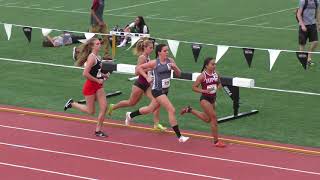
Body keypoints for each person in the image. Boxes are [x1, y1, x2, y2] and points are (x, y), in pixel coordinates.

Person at [125, 44, 189, 143]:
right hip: (157, 90)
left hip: (165, 90)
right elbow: (139, 68)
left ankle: (130, 115)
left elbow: (179, 74)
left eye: (167, 50)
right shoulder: (155, 63)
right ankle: (179, 137)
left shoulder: (170, 61)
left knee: (150, 109)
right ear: (159, 52)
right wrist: (146, 77)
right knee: (171, 109)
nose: (167, 52)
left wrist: (175, 67)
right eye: (164, 51)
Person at [107, 39, 167, 131]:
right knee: (131, 102)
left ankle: (156, 124)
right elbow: (136, 72)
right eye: (150, 48)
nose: (152, 49)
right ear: (145, 48)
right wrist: (150, 70)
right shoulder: (142, 57)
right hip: (140, 84)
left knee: (156, 101)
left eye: (152, 48)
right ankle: (113, 107)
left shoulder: (148, 57)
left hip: (147, 85)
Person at [64, 38, 110, 137]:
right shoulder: (91, 57)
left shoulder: (98, 56)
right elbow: (85, 73)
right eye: (97, 44)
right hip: (90, 86)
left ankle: (98, 130)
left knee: (104, 107)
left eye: (99, 43)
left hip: (99, 86)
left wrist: (103, 75)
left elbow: (96, 70)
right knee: (91, 111)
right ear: (92, 46)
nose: (99, 45)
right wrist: (98, 80)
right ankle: (72, 104)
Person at [180, 57, 225, 147]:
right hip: (205, 99)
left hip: (213, 99)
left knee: (207, 119)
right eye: (212, 64)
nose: (214, 66)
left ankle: (190, 110)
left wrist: (219, 87)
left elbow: (219, 83)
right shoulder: (202, 76)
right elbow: (194, 87)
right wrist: (204, 91)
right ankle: (216, 141)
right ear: (206, 65)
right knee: (213, 118)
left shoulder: (216, 74)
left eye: (215, 64)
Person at [296, 0, 320, 66]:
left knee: (315, 42)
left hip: (312, 24)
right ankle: (303, 61)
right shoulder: (303, 1)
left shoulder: (317, 1)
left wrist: (318, 24)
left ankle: (309, 58)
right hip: (303, 25)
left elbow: (317, 12)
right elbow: (298, 14)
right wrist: (302, 25)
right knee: (302, 44)